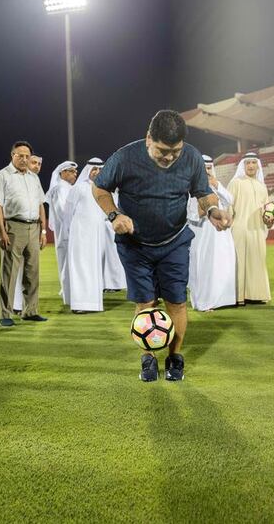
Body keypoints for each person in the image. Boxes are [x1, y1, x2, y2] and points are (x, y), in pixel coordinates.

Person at [92, 110, 230, 382]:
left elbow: (203, 192)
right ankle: (148, 358)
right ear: (148, 140)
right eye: (163, 151)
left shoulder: (190, 156)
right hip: (135, 245)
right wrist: (114, 215)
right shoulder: (124, 157)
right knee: (146, 302)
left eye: (175, 151)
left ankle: (174, 357)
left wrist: (213, 210)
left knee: (177, 302)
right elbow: (100, 189)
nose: (169, 157)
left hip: (174, 241)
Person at [0, 141, 48, 327]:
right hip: (13, 227)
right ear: (12, 155)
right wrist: (1, 232)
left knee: (32, 272)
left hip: (34, 228)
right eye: (20, 155)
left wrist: (43, 230)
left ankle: (30, 311)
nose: (24, 159)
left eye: (27, 156)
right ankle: (5, 314)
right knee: (9, 272)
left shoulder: (33, 178)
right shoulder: (3, 175)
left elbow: (41, 205)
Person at [65, 157, 126, 312]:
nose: (97, 172)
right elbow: (67, 214)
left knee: (94, 269)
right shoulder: (78, 188)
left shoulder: (104, 191)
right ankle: (80, 305)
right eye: (94, 169)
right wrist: (69, 234)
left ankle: (92, 304)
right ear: (88, 171)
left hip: (96, 237)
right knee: (81, 268)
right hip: (80, 236)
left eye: (100, 170)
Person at [188, 155, 236, 311]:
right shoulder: (191, 187)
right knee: (203, 267)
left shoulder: (216, 185)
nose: (206, 172)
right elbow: (190, 213)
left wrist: (217, 185)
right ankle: (203, 302)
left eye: (209, 168)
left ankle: (220, 299)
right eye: (203, 168)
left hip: (220, 235)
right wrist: (204, 210)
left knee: (221, 265)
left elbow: (229, 200)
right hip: (201, 234)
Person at [227, 153, 273, 305]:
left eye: (254, 163)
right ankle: (239, 297)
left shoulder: (262, 186)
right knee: (239, 263)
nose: (251, 166)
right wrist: (229, 224)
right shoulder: (236, 183)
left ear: (258, 165)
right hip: (239, 229)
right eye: (248, 163)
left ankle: (257, 295)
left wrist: (269, 221)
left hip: (258, 230)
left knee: (257, 262)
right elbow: (228, 206)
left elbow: (267, 209)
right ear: (243, 165)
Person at [44, 160, 78, 302]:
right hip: (66, 233)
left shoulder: (67, 188)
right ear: (62, 173)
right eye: (71, 171)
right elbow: (63, 212)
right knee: (66, 265)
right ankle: (69, 297)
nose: (75, 174)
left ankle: (71, 295)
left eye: (76, 171)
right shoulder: (60, 188)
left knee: (70, 265)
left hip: (70, 232)